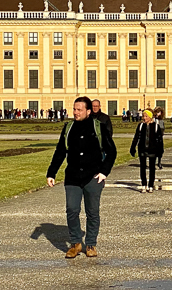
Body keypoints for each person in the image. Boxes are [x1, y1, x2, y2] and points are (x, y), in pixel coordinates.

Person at [46, 97, 116, 259]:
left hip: (93, 176)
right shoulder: (69, 128)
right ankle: (76, 243)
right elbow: (60, 151)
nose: (75, 112)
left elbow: (111, 151)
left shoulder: (98, 127)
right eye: (74, 109)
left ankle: (91, 243)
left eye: (79, 110)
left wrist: (104, 172)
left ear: (88, 111)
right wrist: (51, 173)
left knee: (92, 212)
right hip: (73, 176)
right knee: (72, 210)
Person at [130, 109, 163, 193]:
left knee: (152, 168)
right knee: (142, 167)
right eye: (143, 116)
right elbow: (136, 137)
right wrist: (133, 147)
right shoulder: (141, 126)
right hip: (142, 148)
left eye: (146, 116)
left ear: (150, 117)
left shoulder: (156, 126)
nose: (144, 118)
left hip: (153, 149)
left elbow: (160, 139)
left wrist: (160, 150)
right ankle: (144, 184)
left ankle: (151, 185)